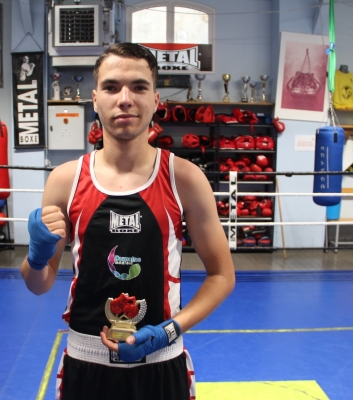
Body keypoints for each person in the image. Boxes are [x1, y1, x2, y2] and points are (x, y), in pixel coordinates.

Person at [20, 43, 236, 400]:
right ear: (94, 98)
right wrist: (37, 257)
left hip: (161, 364)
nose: (125, 99)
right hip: (86, 365)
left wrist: (169, 331)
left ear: (156, 99)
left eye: (138, 87)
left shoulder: (184, 178)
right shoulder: (65, 180)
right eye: (111, 87)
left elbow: (222, 276)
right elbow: (38, 285)